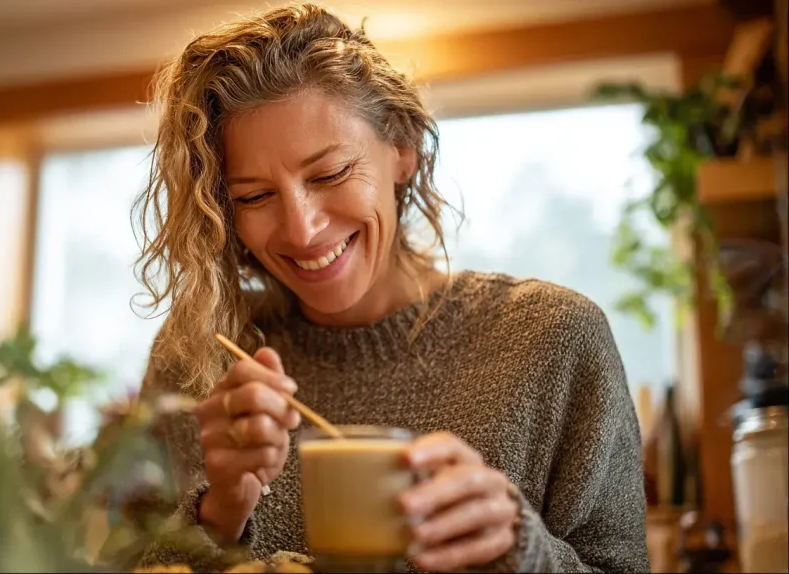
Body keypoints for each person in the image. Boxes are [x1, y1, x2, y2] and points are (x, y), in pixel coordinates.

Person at [135, 3, 649, 573]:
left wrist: (520, 548)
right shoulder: (197, 363)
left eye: (329, 174)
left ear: (402, 151)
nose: (302, 230)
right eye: (254, 197)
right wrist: (219, 512)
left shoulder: (552, 339)